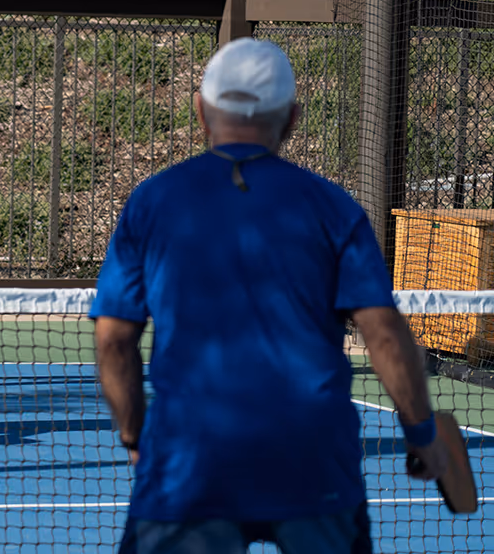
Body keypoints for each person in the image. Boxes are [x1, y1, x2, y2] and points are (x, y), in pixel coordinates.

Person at [91, 38, 449, 553]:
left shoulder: (151, 202)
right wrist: (421, 436)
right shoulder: (334, 208)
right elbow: (385, 335)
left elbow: (113, 342)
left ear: (200, 110)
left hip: (189, 463)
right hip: (313, 462)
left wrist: (134, 438)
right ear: (293, 117)